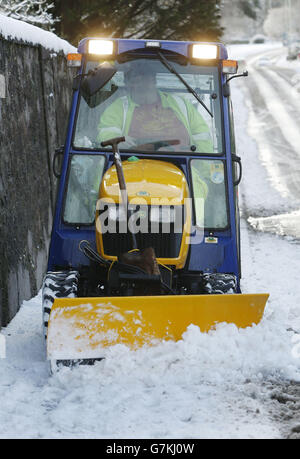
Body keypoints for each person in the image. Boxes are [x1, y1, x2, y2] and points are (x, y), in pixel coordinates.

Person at [97, 60, 213, 153]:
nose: (141, 82)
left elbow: (202, 140)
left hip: (183, 166)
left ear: (153, 80)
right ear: (127, 83)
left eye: (145, 76)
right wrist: (118, 141)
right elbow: (106, 133)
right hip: (128, 166)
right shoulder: (119, 107)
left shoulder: (181, 105)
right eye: (135, 78)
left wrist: (203, 173)